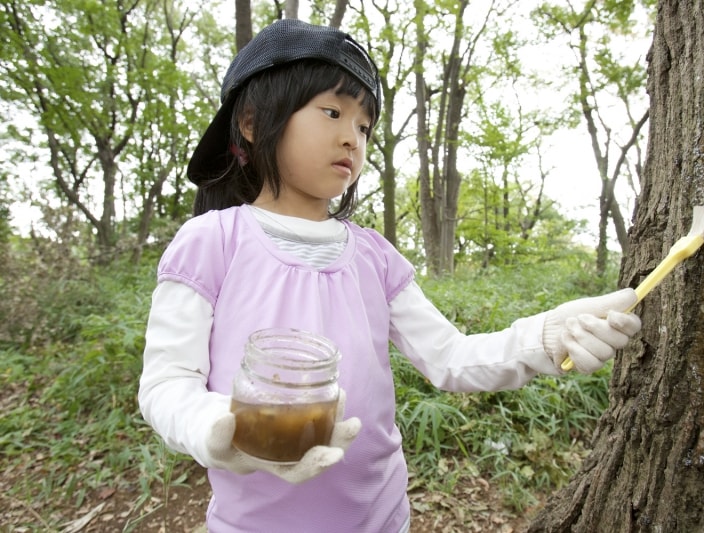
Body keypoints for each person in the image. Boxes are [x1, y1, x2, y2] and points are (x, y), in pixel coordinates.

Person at [138, 18, 642, 533]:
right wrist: (222, 429)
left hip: (381, 519)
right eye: (332, 112)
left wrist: (548, 335)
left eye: (363, 126)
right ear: (250, 121)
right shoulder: (210, 242)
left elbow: (450, 358)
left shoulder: (374, 257)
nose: (351, 138)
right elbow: (166, 384)